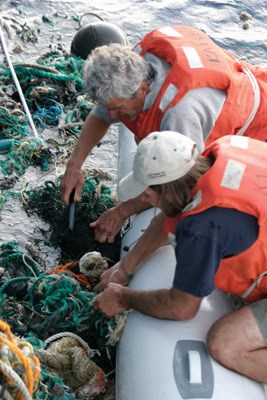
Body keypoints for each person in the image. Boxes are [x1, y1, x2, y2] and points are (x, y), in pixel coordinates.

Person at [61, 25, 267, 243]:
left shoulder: (180, 113)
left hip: (257, 129)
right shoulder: (136, 62)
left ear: (141, 90)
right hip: (244, 80)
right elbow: (102, 114)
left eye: (117, 109)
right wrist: (74, 165)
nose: (112, 115)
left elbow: (179, 184)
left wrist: (122, 212)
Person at [93, 130, 267, 383]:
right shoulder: (220, 153)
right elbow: (172, 215)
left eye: (150, 190)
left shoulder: (202, 228)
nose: (144, 197)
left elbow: (181, 307)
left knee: (225, 343)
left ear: (169, 187)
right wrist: (126, 268)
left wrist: (123, 297)